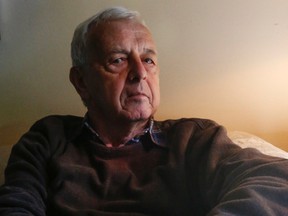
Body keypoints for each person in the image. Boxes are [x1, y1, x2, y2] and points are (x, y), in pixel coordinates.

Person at [0, 6, 287, 216]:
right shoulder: (48, 138)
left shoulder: (194, 138)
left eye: (148, 60)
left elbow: (276, 178)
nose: (139, 73)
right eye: (118, 60)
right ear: (81, 81)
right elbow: (16, 204)